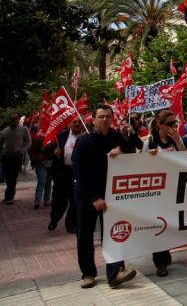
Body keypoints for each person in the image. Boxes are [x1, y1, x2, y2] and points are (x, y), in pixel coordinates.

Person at [72, 105, 136, 289]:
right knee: (85, 236)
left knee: (114, 234)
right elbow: (78, 173)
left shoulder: (116, 137)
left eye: (108, 116)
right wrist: (94, 198)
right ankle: (88, 273)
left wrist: (122, 153)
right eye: (101, 117)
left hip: (111, 195)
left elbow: (132, 154)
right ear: (93, 119)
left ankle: (116, 272)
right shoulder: (84, 142)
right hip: (87, 197)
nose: (105, 120)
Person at [142, 110, 186, 276]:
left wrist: (179, 142)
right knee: (158, 226)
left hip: (174, 189)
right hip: (156, 191)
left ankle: (164, 253)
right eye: (169, 124)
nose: (173, 127)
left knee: (169, 225)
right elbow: (139, 165)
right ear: (159, 125)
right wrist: (149, 158)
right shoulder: (150, 142)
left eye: (175, 123)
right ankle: (160, 262)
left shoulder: (175, 140)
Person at [45, 118, 82, 233]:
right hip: (62, 173)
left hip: (78, 174)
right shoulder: (60, 136)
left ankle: (70, 225)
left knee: (75, 201)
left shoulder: (87, 136)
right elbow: (47, 152)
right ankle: (54, 219)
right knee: (59, 201)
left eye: (79, 122)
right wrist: (54, 154)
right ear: (69, 124)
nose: (77, 124)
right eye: (74, 122)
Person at [0, 113, 32, 205]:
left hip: (17, 157)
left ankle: (9, 198)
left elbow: (28, 142)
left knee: (13, 177)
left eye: (15, 119)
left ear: (18, 119)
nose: (13, 121)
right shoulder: (4, 131)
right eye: (11, 119)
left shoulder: (23, 129)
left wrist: (22, 151)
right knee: (7, 176)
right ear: (9, 120)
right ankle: (8, 196)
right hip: (6, 157)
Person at [28, 127, 52, 209]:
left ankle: (46, 200)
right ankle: (37, 201)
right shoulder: (39, 138)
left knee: (49, 183)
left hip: (51, 164)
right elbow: (31, 151)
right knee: (42, 181)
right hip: (40, 164)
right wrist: (37, 158)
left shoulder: (55, 138)